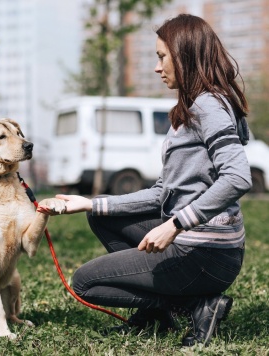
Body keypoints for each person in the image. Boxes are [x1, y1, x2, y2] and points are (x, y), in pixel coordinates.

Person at [39, 14, 252, 346]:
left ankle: (194, 304)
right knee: (101, 215)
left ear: (185, 56)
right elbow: (161, 193)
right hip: (203, 248)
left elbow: (238, 177)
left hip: (205, 255)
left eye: (162, 57)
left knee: (84, 283)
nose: (157, 67)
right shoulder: (191, 108)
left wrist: (176, 224)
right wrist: (89, 202)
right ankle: (163, 309)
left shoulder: (209, 107)